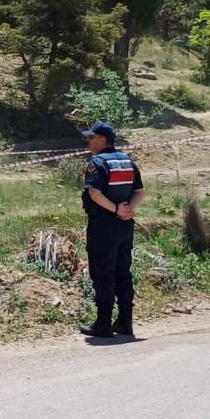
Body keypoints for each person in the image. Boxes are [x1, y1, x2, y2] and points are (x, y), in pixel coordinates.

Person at [78, 120, 144, 340]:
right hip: (125, 226)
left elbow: (95, 193)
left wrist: (116, 209)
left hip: (104, 226)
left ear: (103, 139)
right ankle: (125, 322)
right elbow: (140, 191)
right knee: (123, 273)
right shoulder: (127, 161)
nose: (88, 141)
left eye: (91, 137)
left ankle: (103, 324)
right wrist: (128, 210)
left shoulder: (97, 163)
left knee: (103, 274)